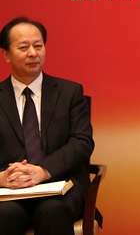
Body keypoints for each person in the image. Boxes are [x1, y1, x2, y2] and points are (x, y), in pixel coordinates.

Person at [0, 16, 94, 235]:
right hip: (8, 191)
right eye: (24, 47)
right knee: (4, 214)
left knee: (52, 210)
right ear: (6, 54)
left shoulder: (70, 93)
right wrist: (3, 178)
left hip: (61, 186)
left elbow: (82, 143)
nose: (33, 53)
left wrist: (43, 171)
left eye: (38, 45)